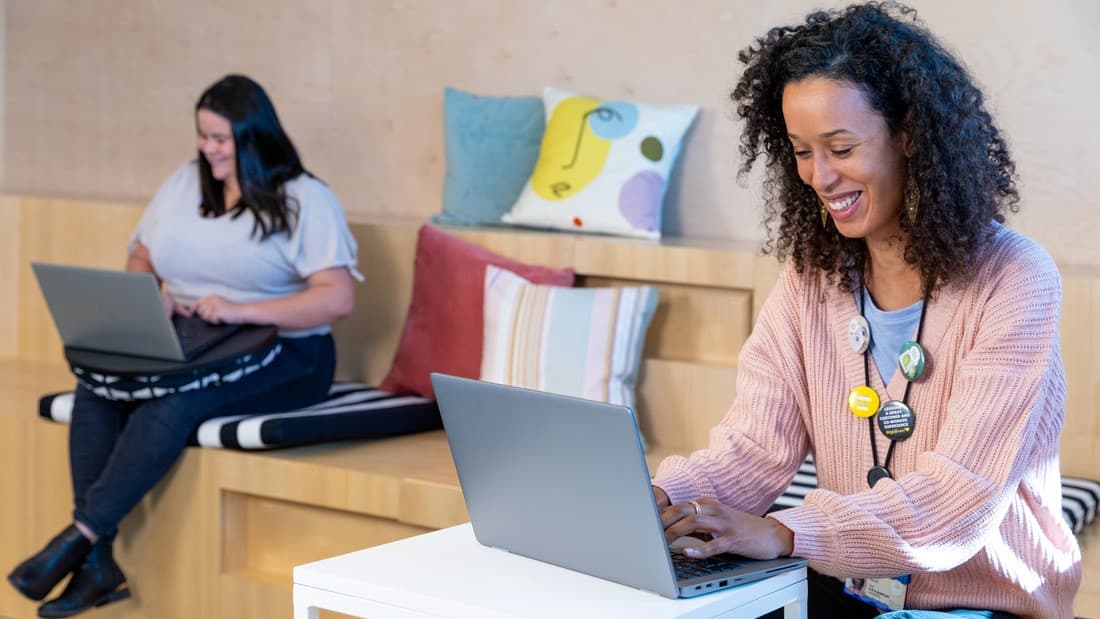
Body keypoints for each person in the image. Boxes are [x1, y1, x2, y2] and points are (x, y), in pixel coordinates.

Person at [651, 4, 1081, 619]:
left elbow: (959, 499)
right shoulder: (810, 278)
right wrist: (654, 499)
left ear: (908, 134)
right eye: (801, 151)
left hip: (984, 605)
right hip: (848, 586)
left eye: (841, 147)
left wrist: (784, 532)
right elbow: (753, 448)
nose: (820, 176)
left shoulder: (1013, 277)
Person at [8, 74, 361, 617]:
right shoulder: (182, 186)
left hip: (288, 355)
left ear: (254, 135)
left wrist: (240, 309)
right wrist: (153, 299)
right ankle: (99, 562)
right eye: (202, 136)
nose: (208, 150)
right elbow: (142, 258)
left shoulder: (305, 199)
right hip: (193, 341)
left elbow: (336, 299)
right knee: (98, 385)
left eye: (220, 139)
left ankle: (80, 538)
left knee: (175, 402)